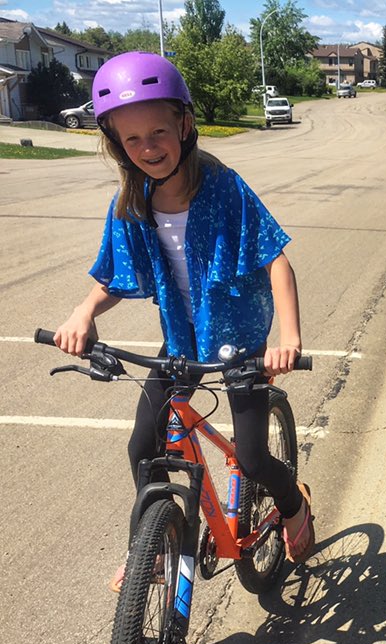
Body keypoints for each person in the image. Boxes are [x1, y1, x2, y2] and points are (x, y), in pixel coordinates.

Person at [53, 52, 316, 591]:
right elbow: (111, 276)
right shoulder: (131, 201)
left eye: (158, 132)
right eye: (132, 140)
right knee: (141, 446)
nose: (148, 148)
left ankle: (293, 506)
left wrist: (287, 339)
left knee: (251, 455)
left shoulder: (223, 187)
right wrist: (82, 313)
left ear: (185, 125)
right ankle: (147, 547)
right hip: (181, 340)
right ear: (116, 145)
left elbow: (276, 259)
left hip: (238, 342)